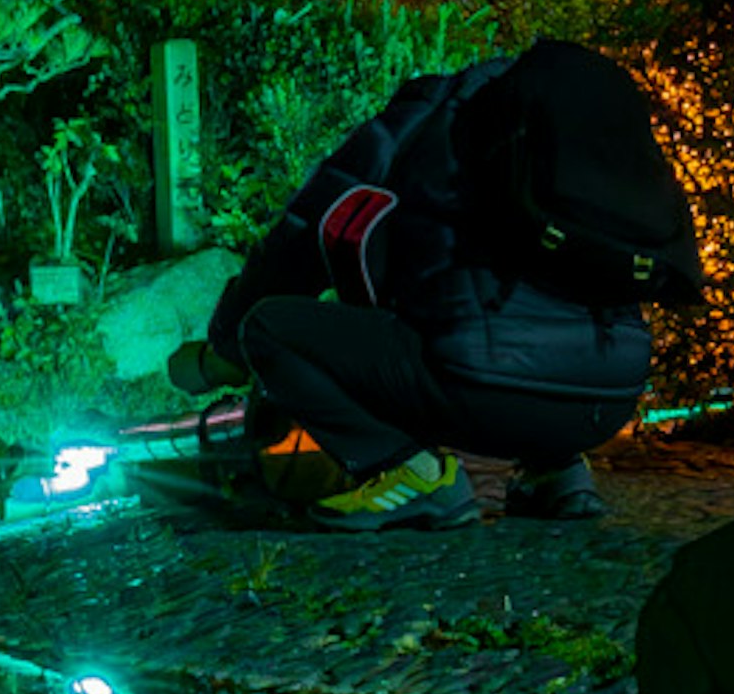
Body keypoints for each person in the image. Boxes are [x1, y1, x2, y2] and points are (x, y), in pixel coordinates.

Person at [182, 37, 704, 531]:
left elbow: (306, 232)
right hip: (609, 402)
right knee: (540, 305)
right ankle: (557, 472)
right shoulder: (581, 132)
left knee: (270, 328)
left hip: (476, 393)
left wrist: (225, 347)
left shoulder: (432, 111)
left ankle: (406, 472)